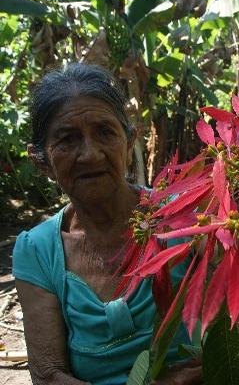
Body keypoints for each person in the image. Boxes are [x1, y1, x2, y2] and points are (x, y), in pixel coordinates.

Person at [12, 64, 202, 385]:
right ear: (41, 161)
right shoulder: (38, 251)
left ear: (129, 143)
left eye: (105, 132)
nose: (91, 154)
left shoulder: (184, 216)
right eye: (68, 139)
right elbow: (48, 375)